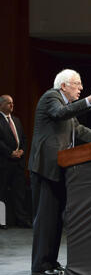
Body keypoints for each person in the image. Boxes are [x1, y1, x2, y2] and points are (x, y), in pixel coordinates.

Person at [29, 69, 91, 275]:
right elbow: (59, 114)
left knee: (55, 219)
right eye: (77, 84)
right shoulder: (51, 98)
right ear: (63, 86)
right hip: (45, 169)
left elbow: (80, 131)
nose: (81, 88)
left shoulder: (66, 107)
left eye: (81, 85)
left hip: (60, 168)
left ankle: (51, 262)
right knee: (45, 219)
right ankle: (40, 265)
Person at [0, 95, 31, 229]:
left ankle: (21, 220)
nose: (12, 105)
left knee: (19, 193)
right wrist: (10, 152)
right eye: (9, 103)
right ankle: (1, 221)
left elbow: (23, 138)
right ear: (1, 105)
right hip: (4, 162)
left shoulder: (16, 120)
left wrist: (22, 151)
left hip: (18, 163)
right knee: (1, 193)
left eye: (12, 103)